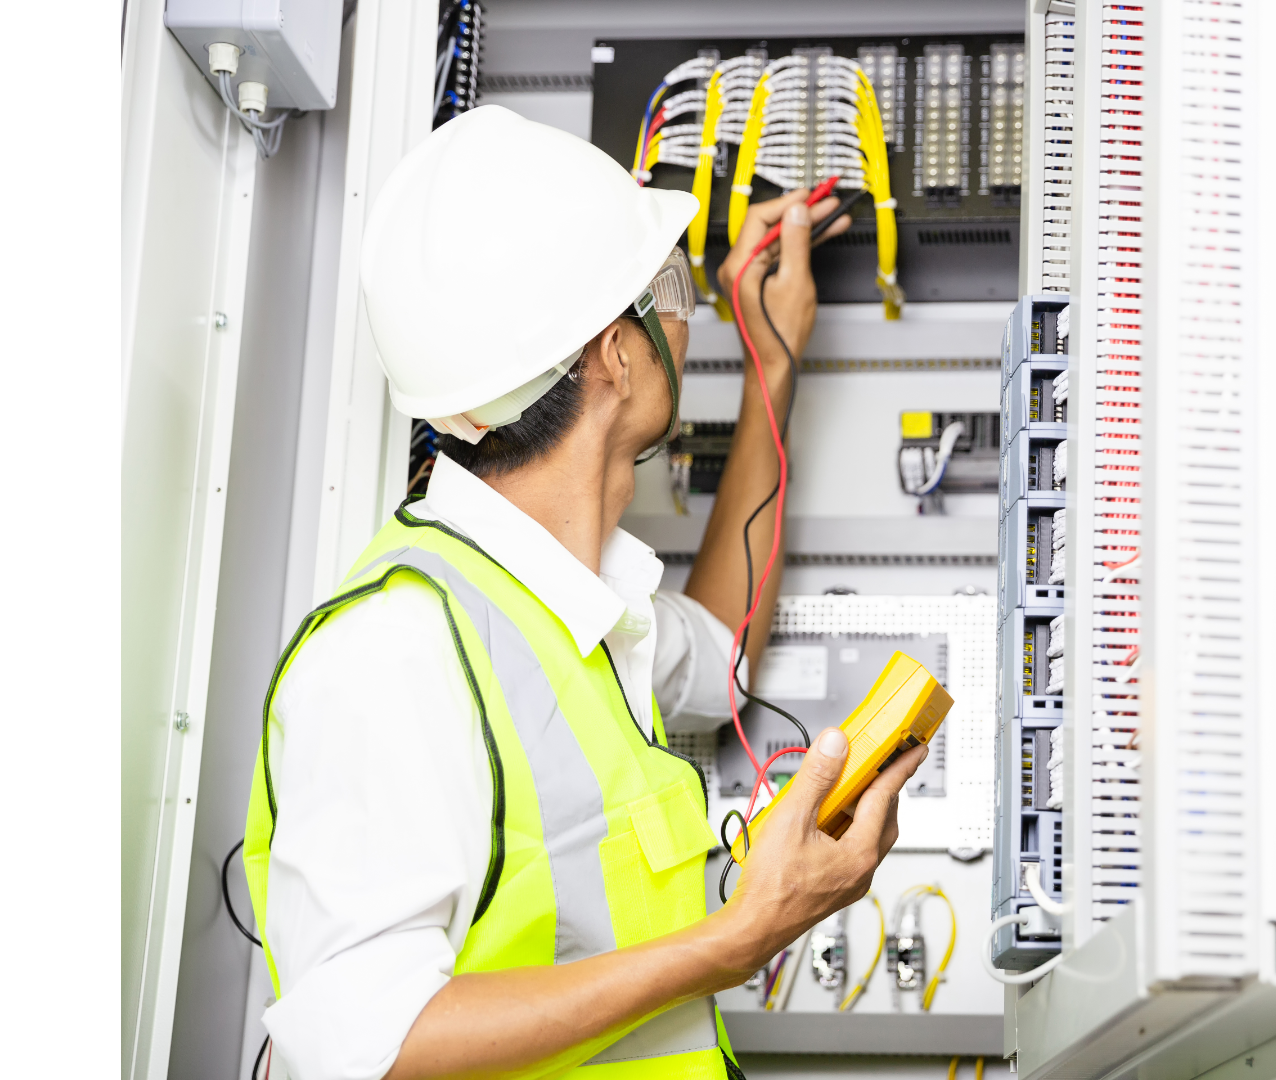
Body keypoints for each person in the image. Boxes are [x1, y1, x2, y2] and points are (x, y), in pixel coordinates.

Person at [240, 105, 927, 1080]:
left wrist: (772, 371)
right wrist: (740, 936)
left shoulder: (574, 602)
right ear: (616, 351)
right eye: (670, 291)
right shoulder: (394, 647)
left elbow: (723, 650)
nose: (685, 319)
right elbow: (367, 1048)